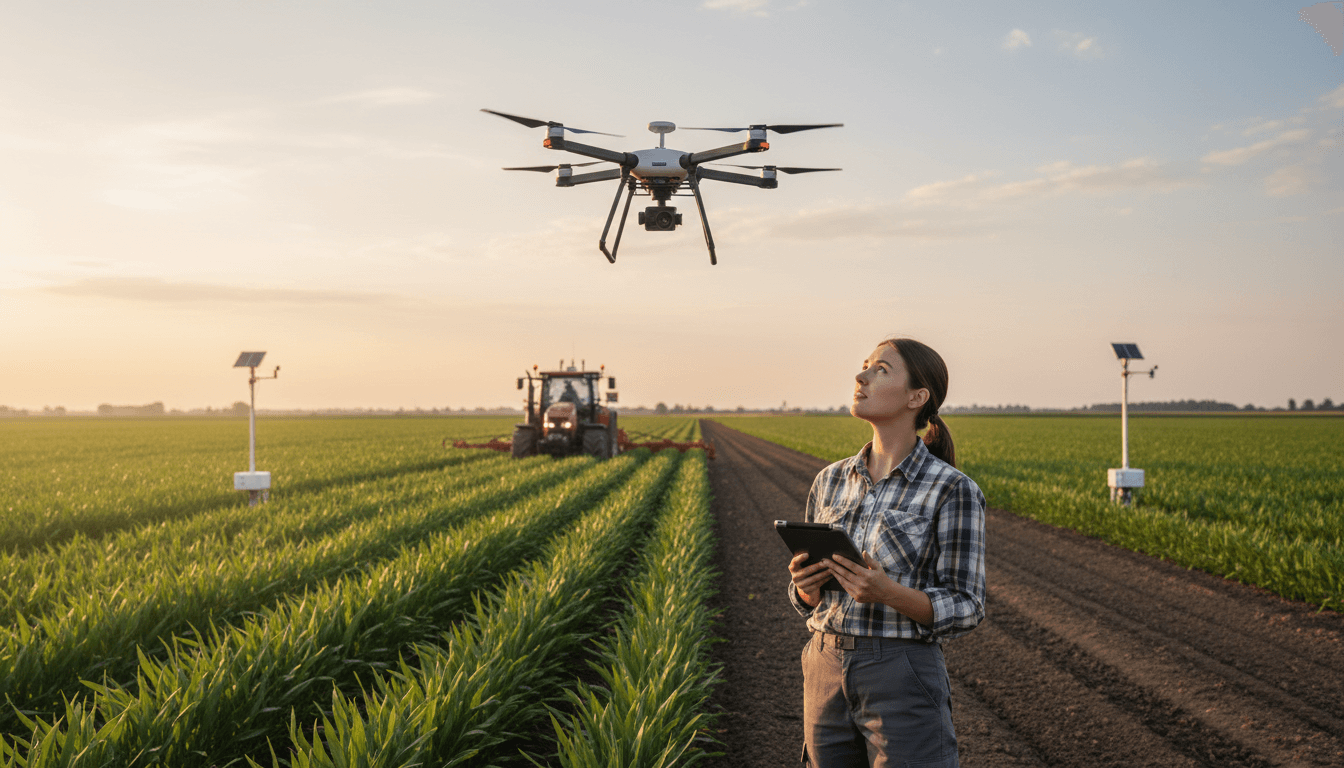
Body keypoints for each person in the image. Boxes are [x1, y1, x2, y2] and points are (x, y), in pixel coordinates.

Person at [787, 337, 986, 768]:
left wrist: (887, 593)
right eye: (863, 367)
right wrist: (806, 590)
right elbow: (807, 598)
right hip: (823, 662)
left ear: (917, 397)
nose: (860, 377)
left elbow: (968, 606)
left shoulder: (952, 489)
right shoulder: (830, 480)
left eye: (880, 370)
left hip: (901, 668)